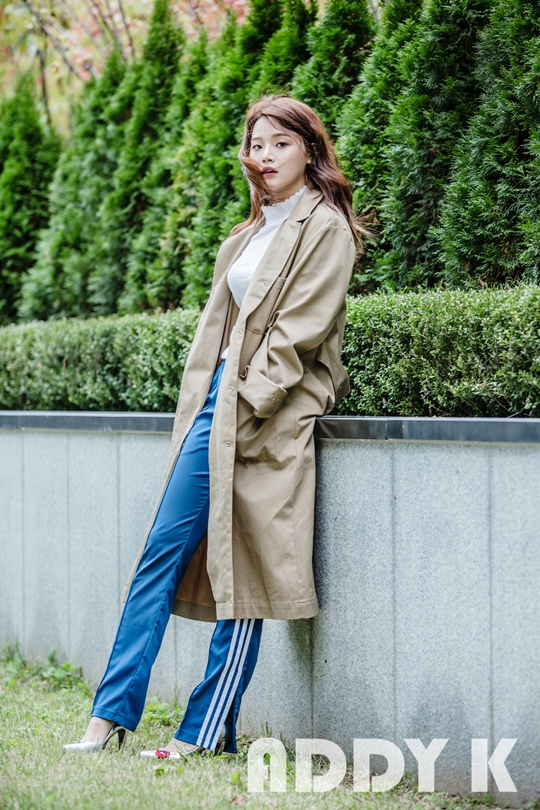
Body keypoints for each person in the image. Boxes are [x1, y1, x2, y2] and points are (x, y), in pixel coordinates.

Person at [64, 94, 364, 759]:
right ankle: (107, 717)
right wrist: (218, 402)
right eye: (257, 144)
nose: (266, 155)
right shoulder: (247, 234)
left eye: (281, 143)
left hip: (268, 412)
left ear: (310, 150)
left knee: (245, 567)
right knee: (159, 553)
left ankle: (202, 732)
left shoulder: (327, 227)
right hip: (216, 407)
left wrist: (251, 401)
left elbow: (301, 330)